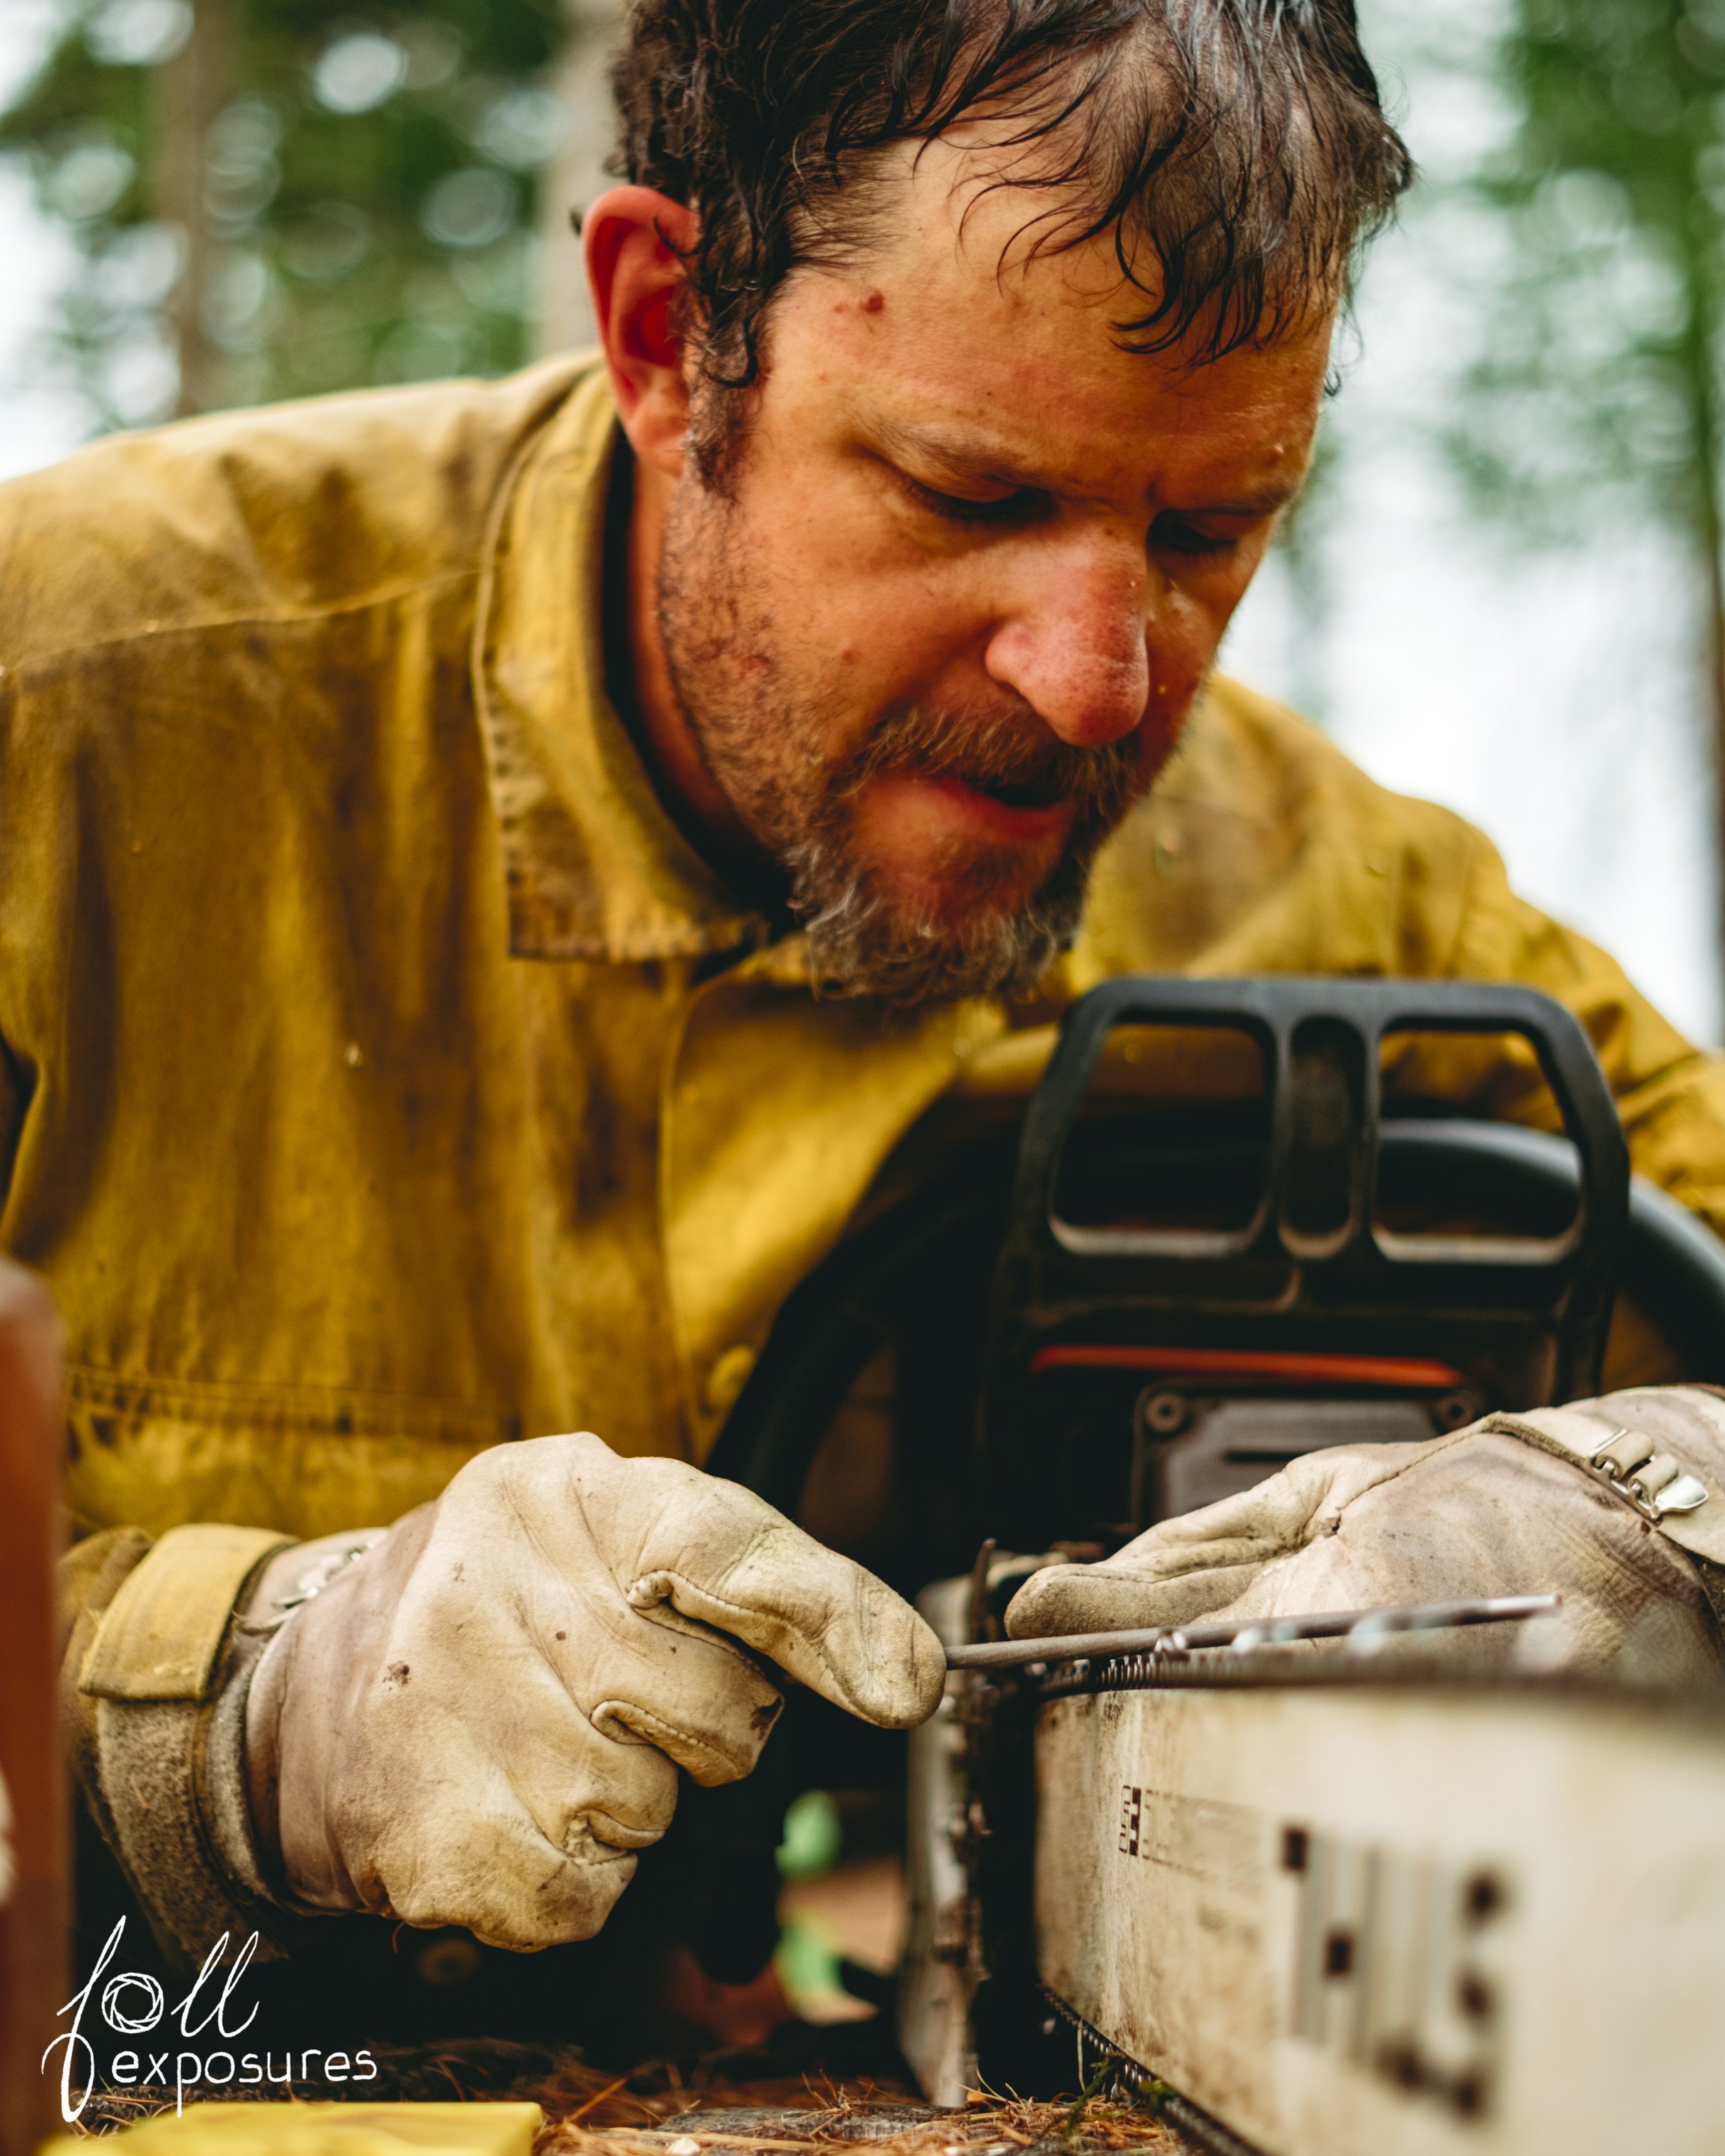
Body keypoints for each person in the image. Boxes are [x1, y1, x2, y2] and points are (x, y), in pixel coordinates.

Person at [7, 0, 1725, 2054]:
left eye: (1207, 532)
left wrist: (1653, 1518)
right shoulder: (71, 726)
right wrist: (238, 1707)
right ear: (663, 334)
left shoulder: (1366, 922)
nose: (1100, 682)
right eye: (968, 490)